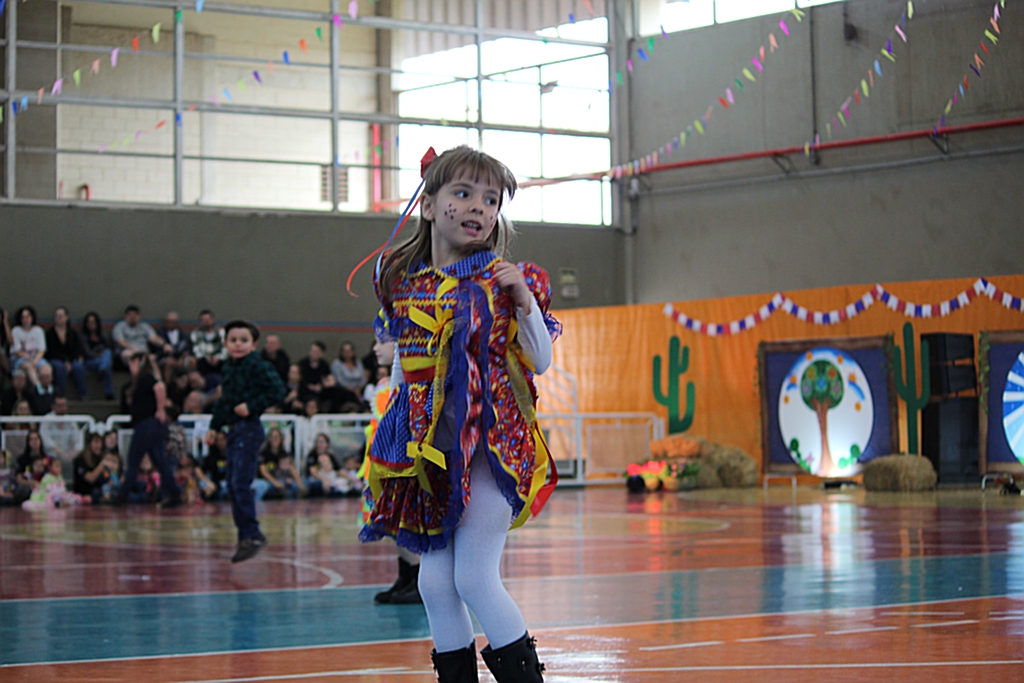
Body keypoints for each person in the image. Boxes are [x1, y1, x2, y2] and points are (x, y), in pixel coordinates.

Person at [360, 146, 560, 681]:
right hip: (433, 453)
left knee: (473, 577)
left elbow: (539, 359)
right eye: (463, 193)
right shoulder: (405, 283)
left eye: (491, 199)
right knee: (433, 583)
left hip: (494, 448)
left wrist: (524, 303)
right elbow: (408, 364)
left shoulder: (506, 279)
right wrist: (395, 429)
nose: (479, 206)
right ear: (429, 206)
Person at [204, 320, 285, 563]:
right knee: (232, 484)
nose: (238, 344)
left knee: (240, 483)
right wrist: (214, 426)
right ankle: (245, 536)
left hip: (249, 429)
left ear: (253, 344)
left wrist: (252, 405)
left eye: (244, 340)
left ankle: (252, 534)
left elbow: (277, 390)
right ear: (226, 343)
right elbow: (224, 401)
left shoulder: (256, 365)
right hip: (233, 430)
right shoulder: (229, 368)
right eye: (233, 340)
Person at [363, 335, 421, 606]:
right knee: (392, 520)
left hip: (403, 457)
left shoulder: (405, 384)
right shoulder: (384, 385)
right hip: (384, 457)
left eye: (380, 342)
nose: (375, 348)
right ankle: (405, 576)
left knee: (406, 518)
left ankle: (417, 579)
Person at [115, 352, 181, 507]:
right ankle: (174, 491)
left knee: (133, 460)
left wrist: (160, 409)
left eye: (132, 363)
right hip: (151, 425)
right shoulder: (141, 380)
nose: (130, 367)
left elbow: (160, 387)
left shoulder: (146, 377)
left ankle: (122, 495)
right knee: (160, 460)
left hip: (147, 424)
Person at [45, 307, 88, 399]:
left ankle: (83, 395)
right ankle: (60, 395)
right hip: (56, 359)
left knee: (78, 367)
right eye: (56, 316)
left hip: (71, 359)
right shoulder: (50, 333)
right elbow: (51, 351)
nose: (58, 318)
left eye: (61, 316)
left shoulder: (73, 333)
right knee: (60, 368)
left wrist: (69, 361)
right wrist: (64, 361)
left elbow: (76, 350)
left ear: (66, 317)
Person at [80, 312, 115, 400]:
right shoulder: (84, 337)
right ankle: (109, 392)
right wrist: (97, 355)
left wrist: (103, 356)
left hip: (102, 359)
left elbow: (109, 347)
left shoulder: (101, 335)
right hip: (90, 361)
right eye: (89, 322)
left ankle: (102, 369)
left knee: (107, 354)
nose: (91, 325)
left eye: (93, 322)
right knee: (107, 364)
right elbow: (86, 352)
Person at [10, 306, 47, 386]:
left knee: (47, 369)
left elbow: (42, 350)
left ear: (32, 317)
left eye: (27, 316)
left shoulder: (38, 330)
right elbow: (17, 351)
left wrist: (35, 361)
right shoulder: (16, 330)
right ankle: (39, 389)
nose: (25, 319)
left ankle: (49, 391)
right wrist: (30, 360)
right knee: (29, 367)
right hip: (20, 359)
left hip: (36, 358)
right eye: (22, 317)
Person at [155, 312, 192, 383]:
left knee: (191, 361)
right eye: (168, 321)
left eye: (172, 321)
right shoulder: (160, 333)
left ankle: (189, 385)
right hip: (165, 358)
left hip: (181, 358)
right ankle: (168, 387)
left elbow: (187, 348)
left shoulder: (183, 334)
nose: (170, 323)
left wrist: (182, 358)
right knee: (169, 363)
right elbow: (157, 349)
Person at [190, 310, 228, 377]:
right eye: (203, 320)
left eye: (208, 319)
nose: (206, 322)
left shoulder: (221, 332)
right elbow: (196, 349)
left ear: (212, 320)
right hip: (203, 360)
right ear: (200, 322)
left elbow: (226, 348)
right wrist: (205, 357)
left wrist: (218, 357)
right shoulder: (196, 333)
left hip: (219, 359)